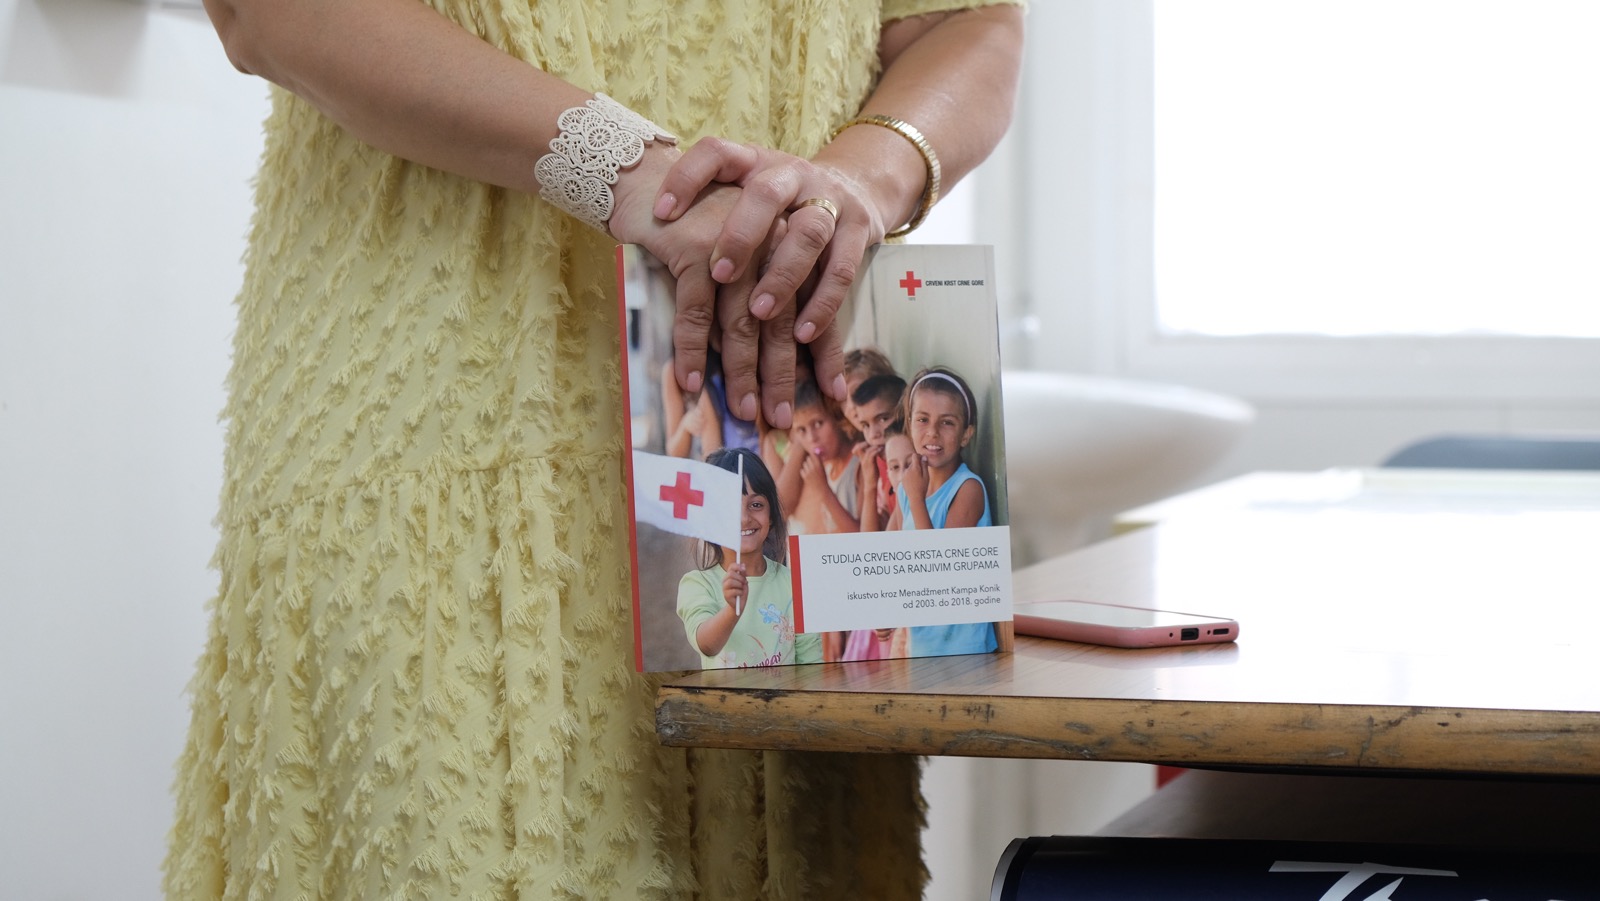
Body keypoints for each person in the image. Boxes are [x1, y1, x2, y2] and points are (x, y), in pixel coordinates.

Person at [164, 2, 1024, 899]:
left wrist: (859, 181)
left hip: (764, 402)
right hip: (447, 416)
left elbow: (969, 23)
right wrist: (628, 173)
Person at [889, 366, 1000, 656]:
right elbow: (893, 560)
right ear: (909, 425)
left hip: (965, 651)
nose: (932, 432)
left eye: (947, 422)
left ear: (966, 435)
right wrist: (885, 610)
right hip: (923, 648)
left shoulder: (967, 489)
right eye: (922, 419)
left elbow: (940, 575)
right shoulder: (906, 490)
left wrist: (916, 498)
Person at [677, 449, 820, 668]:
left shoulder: (795, 585)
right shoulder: (698, 584)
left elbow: (811, 666)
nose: (744, 518)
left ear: (771, 515)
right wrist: (731, 611)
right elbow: (706, 645)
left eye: (756, 505)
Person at [851, 372, 908, 532]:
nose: (873, 434)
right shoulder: (874, 464)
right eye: (865, 425)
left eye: (883, 419)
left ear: (905, 412)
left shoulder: (909, 464)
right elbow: (868, 537)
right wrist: (870, 484)